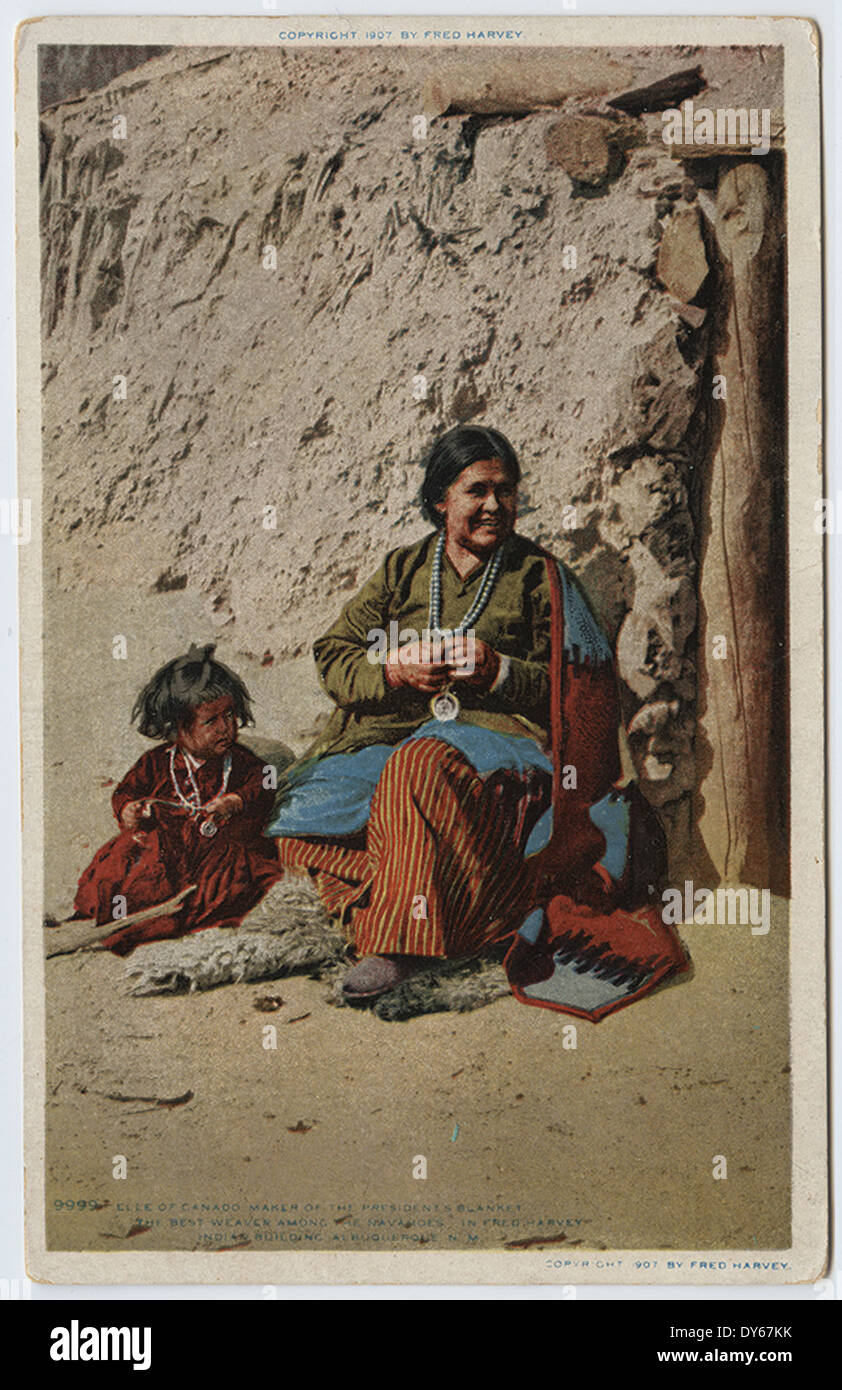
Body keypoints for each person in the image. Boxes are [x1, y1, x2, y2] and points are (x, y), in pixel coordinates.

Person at [267, 424, 628, 1001]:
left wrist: (499, 671)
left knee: (416, 768)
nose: (494, 506)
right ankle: (465, 908)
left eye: (505, 491)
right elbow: (334, 654)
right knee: (294, 824)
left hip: (494, 750)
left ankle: (397, 940)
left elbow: (580, 688)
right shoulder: (403, 570)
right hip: (392, 735)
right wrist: (393, 672)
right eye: (477, 491)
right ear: (441, 501)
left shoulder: (541, 578)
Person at [73, 644, 282, 955]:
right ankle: (134, 918)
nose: (225, 727)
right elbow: (125, 792)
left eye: (230, 715)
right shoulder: (157, 763)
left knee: (230, 885)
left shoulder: (241, 761)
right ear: (177, 729)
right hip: (165, 852)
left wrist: (236, 800)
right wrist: (129, 809)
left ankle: (177, 916)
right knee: (126, 869)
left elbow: (266, 781)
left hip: (217, 853)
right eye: (211, 721)